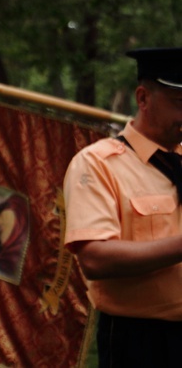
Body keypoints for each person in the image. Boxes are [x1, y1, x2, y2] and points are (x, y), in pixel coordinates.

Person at [64, 47, 182, 367]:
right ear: (143, 99)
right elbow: (95, 259)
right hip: (143, 342)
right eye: (180, 104)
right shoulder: (97, 165)